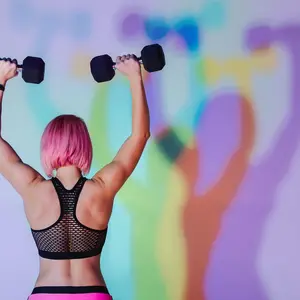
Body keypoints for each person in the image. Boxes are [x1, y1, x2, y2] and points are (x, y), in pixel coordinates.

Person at [0, 54, 150, 300]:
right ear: (85, 146)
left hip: (46, 294)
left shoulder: (32, 188)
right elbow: (139, 136)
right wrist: (135, 76)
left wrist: (1, 80)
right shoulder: (102, 188)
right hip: (93, 294)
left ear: (47, 146)